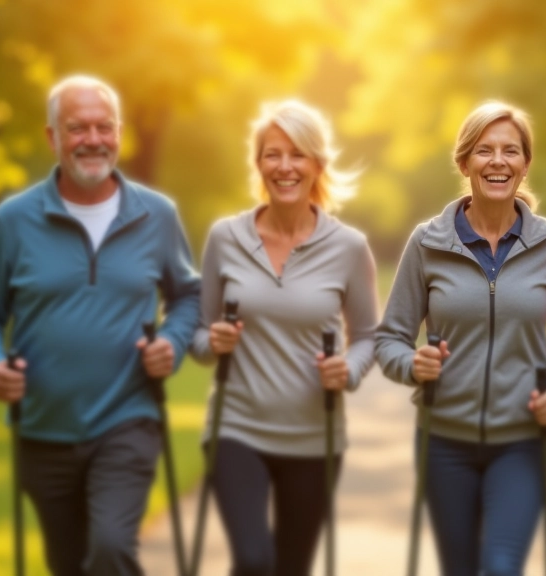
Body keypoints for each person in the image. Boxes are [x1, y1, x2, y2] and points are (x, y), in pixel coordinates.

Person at [0, 75, 201, 575]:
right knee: (68, 564)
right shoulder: (14, 220)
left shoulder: (157, 215)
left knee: (111, 548)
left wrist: (172, 344)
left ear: (119, 133)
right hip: (42, 429)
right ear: (53, 138)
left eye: (104, 127)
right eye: (77, 127)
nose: (93, 139)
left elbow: (189, 296)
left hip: (128, 418)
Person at [375, 101, 546, 576]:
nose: (498, 161)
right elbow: (390, 338)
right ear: (464, 162)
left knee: (500, 567)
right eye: (484, 150)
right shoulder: (428, 243)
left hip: (523, 442)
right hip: (443, 442)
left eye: (510, 151)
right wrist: (414, 365)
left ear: (525, 164)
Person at [189, 99, 378, 576]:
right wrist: (213, 342)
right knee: (253, 561)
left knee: (291, 568)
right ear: (259, 164)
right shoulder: (225, 238)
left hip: (315, 437)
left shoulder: (349, 248)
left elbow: (367, 336)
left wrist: (348, 370)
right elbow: (196, 333)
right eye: (273, 154)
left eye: (298, 154)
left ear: (317, 165)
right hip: (236, 428)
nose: (285, 166)